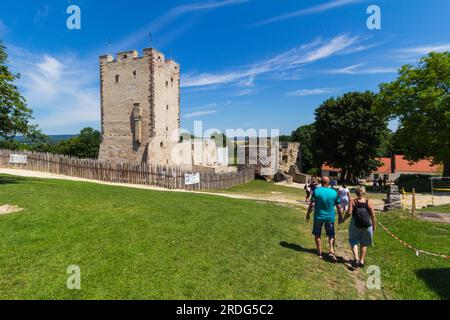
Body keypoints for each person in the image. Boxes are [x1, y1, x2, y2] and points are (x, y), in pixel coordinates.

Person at [306, 176, 342, 261]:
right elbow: (339, 206)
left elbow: (312, 205)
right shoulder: (334, 192)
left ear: (321, 182)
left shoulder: (316, 191)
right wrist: (340, 216)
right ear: (329, 182)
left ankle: (319, 252)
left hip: (318, 216)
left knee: (317, 234)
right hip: (330, 217)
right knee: (331, 234)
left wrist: (308, 214)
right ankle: (331, 250)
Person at [342, 186, 377, 269]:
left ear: (356, 192)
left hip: (355, 225)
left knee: (353, 240)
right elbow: (373, 215)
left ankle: (356, 259)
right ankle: (362, 261)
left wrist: (343, 219)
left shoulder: (353, 201)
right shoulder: (369, 202)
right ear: (364, 192)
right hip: (367, 225)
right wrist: (374, 226)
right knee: (364, 243)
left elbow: (349, 213)